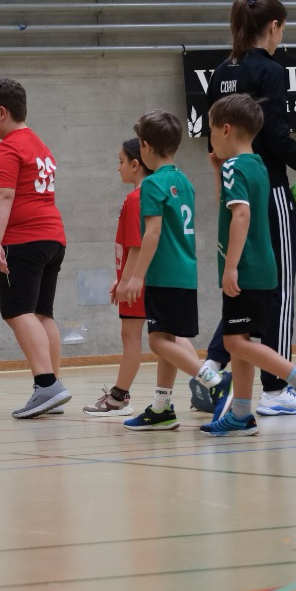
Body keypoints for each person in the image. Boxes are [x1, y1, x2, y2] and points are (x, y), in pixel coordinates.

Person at [193, 0, 296, 420]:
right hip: (268, 188)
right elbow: (277, 136)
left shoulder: (220, 72)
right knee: (278, 290)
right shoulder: (270, 70)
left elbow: (211, 139)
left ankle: (213, 369)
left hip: (233, 187)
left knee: (243, 287)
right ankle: (277, 387)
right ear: (273, 26)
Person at [201, 95, 296, 437]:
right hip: (263, 268)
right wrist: (216, 170)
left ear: (226, 129)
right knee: (239, 339)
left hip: (245, 269)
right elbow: (229, 204)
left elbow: (240, 215)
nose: (210, 137)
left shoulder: (234, 167)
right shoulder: (257, 165)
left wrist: (231, 267)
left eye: (211, 130)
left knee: (235, 343)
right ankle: (241, 413)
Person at [115, 111, 222, 431]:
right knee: (169, 340)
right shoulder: (184, 181)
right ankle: (162, 407)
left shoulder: (152, 184)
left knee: (158, 342)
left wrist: (136, 276)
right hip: (186, 274)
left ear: (146, 147)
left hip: (164, 275)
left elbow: (152, 233)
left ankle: (215, 382)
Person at [0, 77, 72, 419]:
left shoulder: (7, 148)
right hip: (51, 238)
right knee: (42, 314)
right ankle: (53, 386)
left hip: (23, 240)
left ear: (2, 112)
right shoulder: (39, 145)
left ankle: (46, 385)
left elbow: (3, 194)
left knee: (18, 311)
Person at [84, 138, 150, 418]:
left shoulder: (137, 198)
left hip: (138, 283)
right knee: (156, 337)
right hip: (135, 279)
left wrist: (127, 280)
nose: (117, 167)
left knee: (135, 336)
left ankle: (119, 397)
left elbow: (136, 245)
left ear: (135, 165)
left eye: (120, 161)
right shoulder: (139, 196)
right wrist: (121, 277)